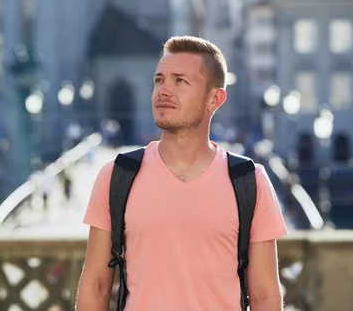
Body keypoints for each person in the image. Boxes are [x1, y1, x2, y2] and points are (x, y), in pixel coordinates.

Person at [76, 36, 287, 310]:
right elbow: (96, 285)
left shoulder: (249, 181)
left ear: (215, 99)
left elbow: (264, 295)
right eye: (159, 80)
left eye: (180, 81)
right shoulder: (117, 176)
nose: (163, 90)